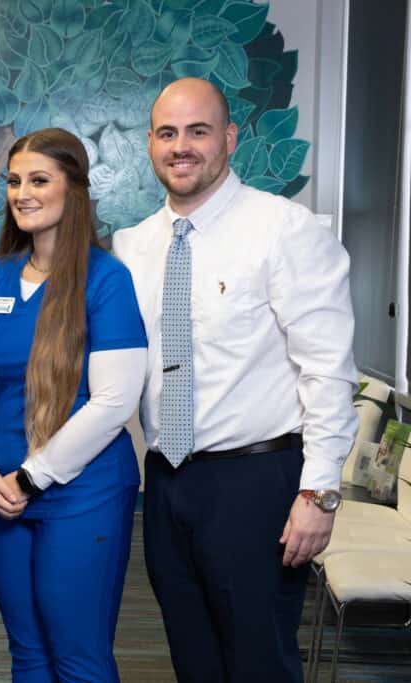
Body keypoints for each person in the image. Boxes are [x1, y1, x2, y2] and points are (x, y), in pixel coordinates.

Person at [112, 77, 358, 682]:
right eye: (167, 133)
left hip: (258, 483)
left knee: (259, 662)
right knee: (192, 659)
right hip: (166, 485)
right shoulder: (132, 246)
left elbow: (327, 371)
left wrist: (318, 493)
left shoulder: (284, 230)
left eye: (198, 131)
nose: (181, 146)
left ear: (229, 138)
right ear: (149, 144)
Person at [0, 127, 147, 682]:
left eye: (39, 180)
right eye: (14, 180)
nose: (22, 192)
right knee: (28, 654)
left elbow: (114, 402)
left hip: (80, 491)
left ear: (75, 190)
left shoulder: (106, 278)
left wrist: (30, 477)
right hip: (1, 494)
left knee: (78, 657)